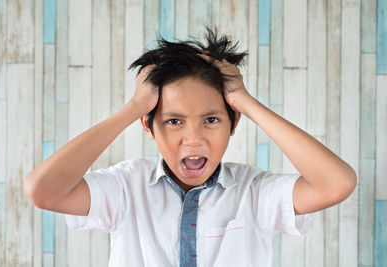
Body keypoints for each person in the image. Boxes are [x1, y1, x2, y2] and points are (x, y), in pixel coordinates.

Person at [24, 27, 357, 267]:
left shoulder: (254, 193)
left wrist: (245, 101)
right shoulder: (126, 186)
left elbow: (337, 183)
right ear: (148, 125)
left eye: (211, 120)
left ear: (234, 124)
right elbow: (43, 190)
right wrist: (131, 109)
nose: (194, 138)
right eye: (174, 121)